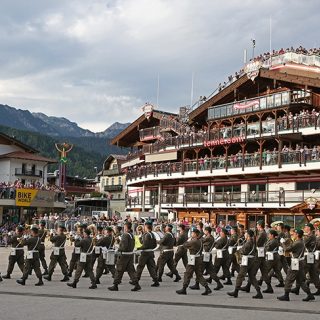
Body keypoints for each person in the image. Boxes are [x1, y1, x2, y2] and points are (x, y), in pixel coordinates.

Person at [277, 228, 315, 301]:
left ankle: (286, 295)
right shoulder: (301, 241)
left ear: (297, 235)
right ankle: (309, 294)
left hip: (296, 263)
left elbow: (287, 249)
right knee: (301, 280)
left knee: (289, 277)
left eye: (294, 233)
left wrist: (283, 243)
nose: (293, 234)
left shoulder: (298, 243)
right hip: (300, 262)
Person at [227, 229, 263, 299]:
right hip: (252, 260)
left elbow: (244, 251)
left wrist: (239, 250)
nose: (244, 235)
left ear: (248, 235)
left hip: (247, 260)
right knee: (252, 277)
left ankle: (236, 291)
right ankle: (259, 292)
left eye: (246, 234)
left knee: (240, 275)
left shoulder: (248, 242)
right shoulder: (253, 241)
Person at [176, 228, 212, 295]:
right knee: (199, 275)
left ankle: (184, 289)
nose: (191, 234)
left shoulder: (194, 241)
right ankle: (207, 288)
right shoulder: (200, 241)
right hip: (198, 259)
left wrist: (189, 240)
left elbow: (185, 245)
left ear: (195, 234)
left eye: (192, 233)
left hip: (193, 259)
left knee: (187, 273)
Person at [108, 222, 141, 292]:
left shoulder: (125, 235)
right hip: (130, 254)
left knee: (119, 270)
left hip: (124, 255)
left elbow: (124, 246)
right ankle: (136, 284)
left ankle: (115, 285)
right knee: (131, 270)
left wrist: (118, 249)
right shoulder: (131, 235)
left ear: (126, 227)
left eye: (124, 227)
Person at [291, 223, 320, 295]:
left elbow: (303, 243)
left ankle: (299, 289)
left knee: (301, 273)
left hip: (308, 257)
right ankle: (318, 288)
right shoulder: (310, 236)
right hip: (309, 257)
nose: (304, 228)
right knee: (313, 274)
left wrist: (300, 236)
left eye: (305, 227)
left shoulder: (310, 236)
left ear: (309, 228)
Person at [136, 221, 159, 287]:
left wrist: (138, 248)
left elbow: (144, 245)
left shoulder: (146, 235)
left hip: (145, 253)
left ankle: (136, 280)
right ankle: (156, 280)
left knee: (140, 267)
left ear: (146, 226)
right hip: (150, 252)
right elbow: (155, 245)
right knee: (151, 267)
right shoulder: (153, 234)